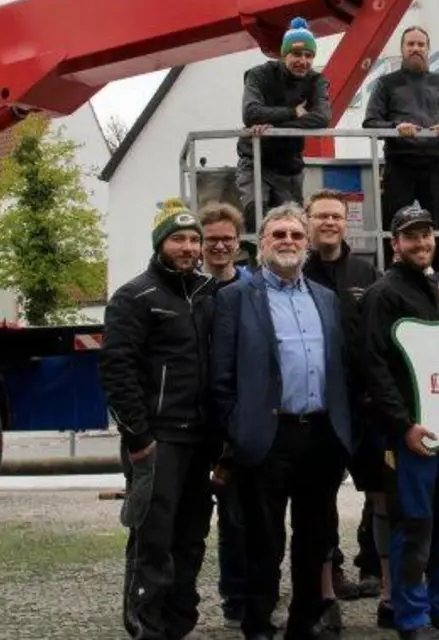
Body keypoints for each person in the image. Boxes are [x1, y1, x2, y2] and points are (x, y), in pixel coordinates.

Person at [211, 204, 356, 640]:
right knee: (263, 541)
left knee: (315, 539)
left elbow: (340, 366)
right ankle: (258, 623)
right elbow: (221, 377)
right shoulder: (236, 297)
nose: (288, 241)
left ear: (307, 244)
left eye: (295, 234)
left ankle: (303, 624)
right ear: (262, 243)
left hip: (320, 435)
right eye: (279, 234)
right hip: (267, 436)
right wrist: (237, 431)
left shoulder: (325, 298)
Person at [359, 204, 439, 640]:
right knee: (415, 524)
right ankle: (411, 618)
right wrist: (402, 425)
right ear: (396, 243)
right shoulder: (383, 294)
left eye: (426, 234)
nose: (421, 242)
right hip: (412, 434)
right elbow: (373, 367)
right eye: (411, 236)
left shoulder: (437, 288)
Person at [100, 199, 219, 640]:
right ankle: (146, 625)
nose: (188, 248)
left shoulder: (208, 294)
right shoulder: (135, 297)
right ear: (160, 244)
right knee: (153, 537)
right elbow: (117, 369)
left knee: (191, 537)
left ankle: (178, 622)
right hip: (158, 441)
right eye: (178, 239)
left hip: (199, 439)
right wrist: (138, 437)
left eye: (193, 240)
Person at [301, 190, 388, 618]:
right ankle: (327, 585)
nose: (329, 223)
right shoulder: (296, 272)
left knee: (382, 494)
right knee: (320, 499)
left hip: (365, 406)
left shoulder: (366, 273)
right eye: (321, 216)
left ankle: (387, 584)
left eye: (336, 216)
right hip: (319, 408)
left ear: (346, 221)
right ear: (308, 221)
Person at [362, 26, 439, 280]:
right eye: (410, 44)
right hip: (399, 165)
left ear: (428, 49)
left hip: (435, 165)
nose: (416, 49)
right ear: (402, 49)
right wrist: (395, 127)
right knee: (393, 230)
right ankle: (390, 283)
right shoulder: (386, 84)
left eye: (421, 45)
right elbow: (370, 123)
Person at [200, 203, 253, 628]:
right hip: (195, 418)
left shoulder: (254, 290)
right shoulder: (189, 290)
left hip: (240, 418)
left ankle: (239, 600)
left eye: (227, 239)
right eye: (211, 239)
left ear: (238, 242)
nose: (219, 246)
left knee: (240, 518)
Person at [238, 17, 331, 227]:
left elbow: (322, 118)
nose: (303, 61)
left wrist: (273, 128)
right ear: (283, 54)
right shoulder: (259, 75)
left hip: (289, 167)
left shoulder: (316, 81)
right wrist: (292, 112)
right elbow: (250, 113)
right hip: (256, 160)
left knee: (292, 225)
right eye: (296, 54)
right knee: (256, 219)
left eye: (308, 55)